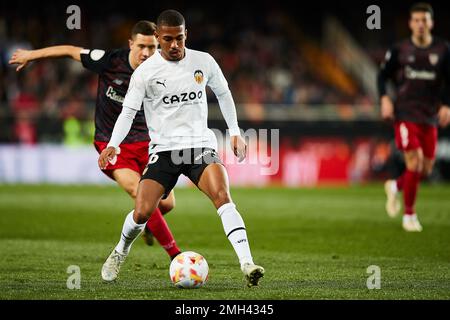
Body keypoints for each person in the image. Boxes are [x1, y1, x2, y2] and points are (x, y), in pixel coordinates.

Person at [98, 9, 264, 287]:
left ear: (186, 35)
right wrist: (113, 145)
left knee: (222, 196)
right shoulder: (145, 73)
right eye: (167, 39)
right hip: (164, 151)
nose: (174, 45)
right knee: (142, 212)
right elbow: (127, 112)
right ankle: (120, 251)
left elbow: (224, 93)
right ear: (158, 38)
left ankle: (247, 263)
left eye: (179, 38)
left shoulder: (204, 61)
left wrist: (235, 132)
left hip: (199, 145)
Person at [9, 21, 181, 257]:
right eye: (141, 46)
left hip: (149, 143)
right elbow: (70, 51)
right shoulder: (109, 60)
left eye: (152, 47)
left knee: (167, 204)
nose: (146, 53)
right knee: (137, 191)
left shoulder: (163, 69)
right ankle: (177, 256)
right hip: (112, 144)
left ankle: (148, 224)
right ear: (131, 44)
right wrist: (32, 55)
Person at [378, 2, 450, 232]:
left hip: (429, 116)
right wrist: (385, 99)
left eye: (424, 20)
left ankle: (395, 186)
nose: (420, 24)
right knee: (414, 162)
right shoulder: (400, 50)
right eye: (416, 20)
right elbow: (382, 76)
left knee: (425, 169)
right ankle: (409, 216)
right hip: (405, 114)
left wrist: (447, 104)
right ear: (410, 24)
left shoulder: (442, 49)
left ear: (431, 23)